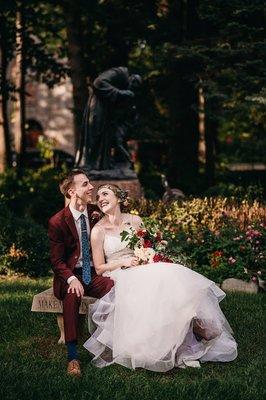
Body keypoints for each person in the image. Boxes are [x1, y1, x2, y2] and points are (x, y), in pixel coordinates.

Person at [83, 184, 238, 371]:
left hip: (143, 266)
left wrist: (146, 255)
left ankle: (189, 332)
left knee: (171, 273)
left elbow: (147, 246)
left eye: (105, 194)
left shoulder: (135, 220)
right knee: (156, 283)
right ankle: (186, 338)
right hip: (119, 272)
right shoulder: (98, 230)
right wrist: (123, 263)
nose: (100, 198)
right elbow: (99, 268)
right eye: (98, 196)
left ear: (119, 197)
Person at [48, 169, 114, 377]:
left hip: (93, 273)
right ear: (71, 191)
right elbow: (57, 261)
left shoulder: (95, 211)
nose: (91, 187)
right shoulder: (57, 222)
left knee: (117, 289)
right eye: (85, 184)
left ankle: (115, 342)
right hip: (70, 276)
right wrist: (71, 278)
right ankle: (72, 356)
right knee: (72, 295)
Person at [75, 66, 142, 170]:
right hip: (98, 107)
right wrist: (120, 93)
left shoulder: (125, 86)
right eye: (133, 85)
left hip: (106, 113)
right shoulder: (120, 73)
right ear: (131, 78)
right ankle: (91, 167)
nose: (131, 88)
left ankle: (101, 167)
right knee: (95, 137)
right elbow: (98, 82)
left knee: (106, 139)